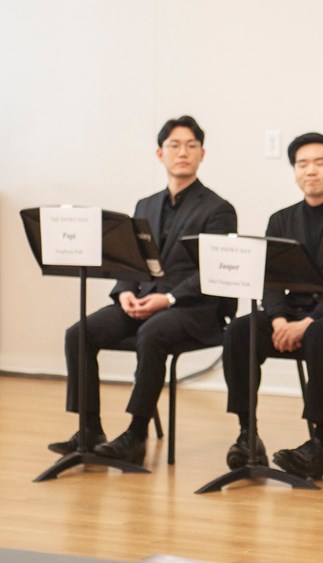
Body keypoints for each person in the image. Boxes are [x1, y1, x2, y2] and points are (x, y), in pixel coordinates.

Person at [50, 115, 238, 466]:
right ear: (159, 153)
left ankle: (137, 433)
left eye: (191, 146)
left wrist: (167, 299)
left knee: (151, 333)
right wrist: (125, 291)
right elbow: (129, 259)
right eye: (174, 146)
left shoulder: (218, 209)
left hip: (193, 309)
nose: (183, 152)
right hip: (142, 300)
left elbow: (213, 271)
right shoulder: (145, 204)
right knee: (79, 333)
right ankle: (89, 428)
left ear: (202, 154)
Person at [221, 132, 323, 480]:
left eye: (319, 162)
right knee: (240, 330)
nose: (310, 170)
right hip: (294, 316)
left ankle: (319, 443)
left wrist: (309, 321)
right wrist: (280, 317)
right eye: (302, 164)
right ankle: (247, 434)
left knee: (321, 335)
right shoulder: (280, 219)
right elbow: (269, 279)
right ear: (295, 171)